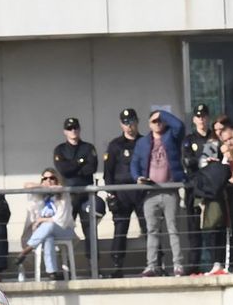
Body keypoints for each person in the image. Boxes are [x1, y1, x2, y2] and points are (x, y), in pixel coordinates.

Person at [131, 108, 187, 277]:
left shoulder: (171, 136)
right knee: (152, 231)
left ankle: (178, 264)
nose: (158, 124)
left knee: (173, 229)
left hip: (169, 189)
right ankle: (152, 265)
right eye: (154, 121)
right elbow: (134, 163)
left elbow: (180, 126)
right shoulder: (142, 142)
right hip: (150, 192)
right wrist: (137, 177)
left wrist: (162, 114)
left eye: (160, 121)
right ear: (149, 124)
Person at [103, 109, 147, 278]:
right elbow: (108, 173)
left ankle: (156, 263)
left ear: (137, 122)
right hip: (121, 193)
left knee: (150, 229)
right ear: (121, 124)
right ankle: (117, 265)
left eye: (132, 122)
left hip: (141, 193)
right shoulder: (115, 145)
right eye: (126, 123)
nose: (129, 126)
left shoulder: (144, 142)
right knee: (120, 230)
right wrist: (111, 194)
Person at [52, 117, 100, 256]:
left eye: (75, 128)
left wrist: (73, 166)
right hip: (69, 197)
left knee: (90, 231)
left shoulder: (88, 147)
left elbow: (92, 168)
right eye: (69, 128)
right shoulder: (60, 149)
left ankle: (94, 267)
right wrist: (80, 162)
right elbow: (63, 170)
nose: (73, 131)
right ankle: (63, 265)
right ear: (64, 132)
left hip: (86, 196)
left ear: (79, 129)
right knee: (64, 229)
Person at [19, 169, 77, 279]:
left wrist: (41, 220)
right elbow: (26, 185)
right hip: (45, 233)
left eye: (52, 178)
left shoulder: (63, 194)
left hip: (64, 230)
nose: (48, 180)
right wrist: (43, 186)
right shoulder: (40, 195)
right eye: (45, 178)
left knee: (49, 226)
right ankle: (52, 272)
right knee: (48, 237)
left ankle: (28, 249)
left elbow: (59, 220)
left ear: (57, 180)